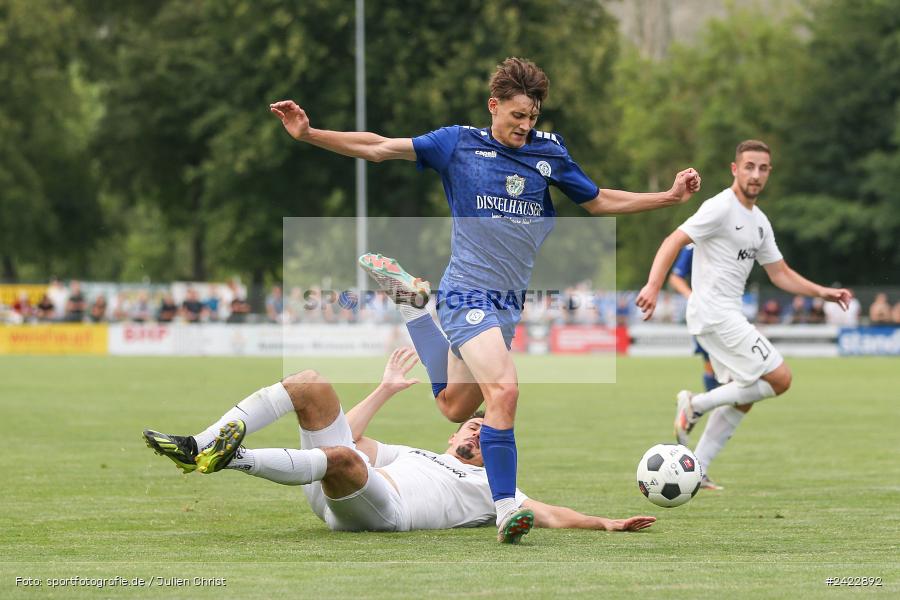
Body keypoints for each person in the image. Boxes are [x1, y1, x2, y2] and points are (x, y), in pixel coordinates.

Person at [271, 57, 700, 541]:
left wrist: (666, 198)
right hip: (465, 292)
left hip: (507, 305)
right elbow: (378, 148)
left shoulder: (549, 152)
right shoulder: (457, 143)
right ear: (493, 106)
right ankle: (504, 508)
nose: (525, 126)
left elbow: (598, 200)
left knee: (455, 409)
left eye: (533, 118)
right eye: (517, 116)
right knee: (506, 391)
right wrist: (310, 134)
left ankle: (414, 308)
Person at [143, 349, 655, 541]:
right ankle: (199, 445)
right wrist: (385, 390)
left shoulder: (492, 487)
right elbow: (354, 434)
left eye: (486, 430)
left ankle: (233, 458)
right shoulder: (416, 454)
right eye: (471, 426)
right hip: (336, 485)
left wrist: (607, 523)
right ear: (450, 435)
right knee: (310, 383)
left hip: (383, 511)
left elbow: (551, 514)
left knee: (344, 457)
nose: (477, 429)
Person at [635, 140, 851, 489]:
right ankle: (695, 403)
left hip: (723, 314)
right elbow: (674, 239)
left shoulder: (760, 222)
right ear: (735, 169)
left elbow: (780, 273)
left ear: (768, 173)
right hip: (714, 313)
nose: (756, 174)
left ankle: (699, 466)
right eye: (749, 166)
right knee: (780, 378)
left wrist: (822, 292)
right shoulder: (720, 207)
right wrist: (653, 285)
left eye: (762, 168)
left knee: (746, 394)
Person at [667, 245, 721, 398]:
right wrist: (693, 298)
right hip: (704, 314)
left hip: (729, 309)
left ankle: (702, 404)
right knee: (710, 363)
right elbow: (675, 277)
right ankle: (710, 405)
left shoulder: (733, 237)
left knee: (734, 368)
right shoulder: (693, 246)